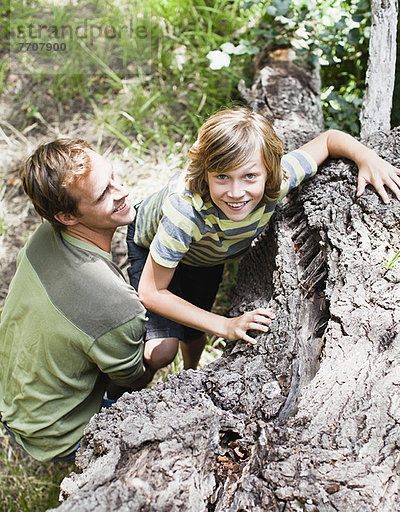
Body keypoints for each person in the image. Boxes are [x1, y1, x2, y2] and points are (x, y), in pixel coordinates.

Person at [127, 106, 400, 376]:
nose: (236, 192)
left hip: (204, 257)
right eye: (222, 176)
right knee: (161, 352)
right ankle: (126, 388)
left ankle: (189, 375)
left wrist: (367, 157)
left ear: (269, 171)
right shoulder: (185, 211)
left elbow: (329, 140)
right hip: (153, 245)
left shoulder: (278, 180)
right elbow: (152, 292)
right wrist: (224, 325)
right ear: (205, 171)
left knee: (194, 331)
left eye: (249, 176)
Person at [0, 138, 153, 462]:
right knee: (158, 352)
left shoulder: (43, 237)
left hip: (11, 401)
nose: (122, 191)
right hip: (58, 434)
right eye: (103, 194)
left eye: (113, 176)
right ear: (67, 217)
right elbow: (133, 375)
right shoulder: (116, 305)